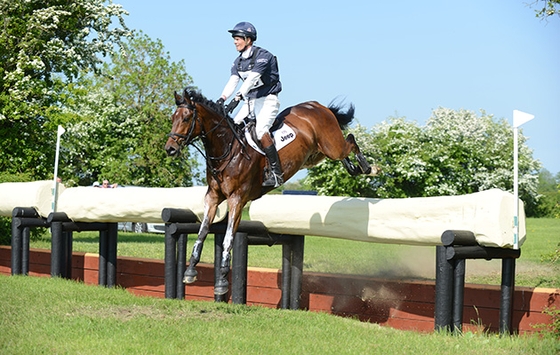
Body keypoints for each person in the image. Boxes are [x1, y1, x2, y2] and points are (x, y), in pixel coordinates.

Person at [217, 21, 283, 188]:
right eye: (234, 38)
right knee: (234, 127)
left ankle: (276, 173)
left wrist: (237, 98)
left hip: (267, 100)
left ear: (248, 39)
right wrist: (222, 98)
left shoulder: (263, 56)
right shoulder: (238, 62)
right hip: (251, 101)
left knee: (261, 131)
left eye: (238, 38)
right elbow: (233, 81)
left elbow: (252, 79)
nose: (234, 41)